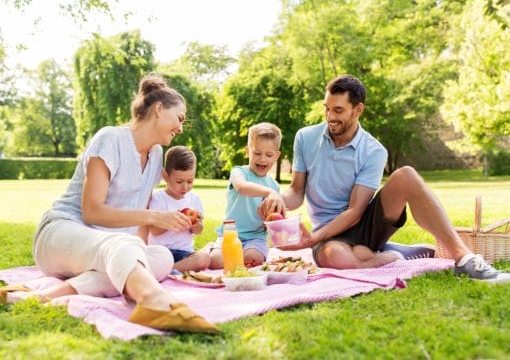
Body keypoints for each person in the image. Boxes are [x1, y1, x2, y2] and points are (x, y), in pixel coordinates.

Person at [0, 73, 218, 333]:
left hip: (105, 249)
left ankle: (41, 296)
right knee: (125, 247)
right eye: (179, 118)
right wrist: (152, 218)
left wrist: (138, 245)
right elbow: (92, 212)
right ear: (159, 109)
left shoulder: (156, 155)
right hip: (60, 234)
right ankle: (154, 302)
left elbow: (134, 227)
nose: (181, 128)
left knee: (158, 257)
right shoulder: (110, 139)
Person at [273, 74, 510, 284]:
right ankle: (391, 255)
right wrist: (279, 201)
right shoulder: (306, 138)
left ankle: (465, 259)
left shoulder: (374, 151)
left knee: (406, 175)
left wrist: (310, 239)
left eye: (338, 110)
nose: (329, 116)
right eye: (326, 108)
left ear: (358, 110)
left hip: (363, 225)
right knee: (335, 257)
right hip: (328, 232)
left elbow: (355, 212)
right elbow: (296, 191)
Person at [209, 122, 286, 269]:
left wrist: (271, 221)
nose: (262, 159)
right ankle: (215, 250)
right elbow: (242, 188)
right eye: (257, 153)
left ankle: (238, 260)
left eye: (269, 155)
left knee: (251, 259)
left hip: (255, 238)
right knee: (216, 262)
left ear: (276, 156)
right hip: (230, 234)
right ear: (247, 151)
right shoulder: (239, 172)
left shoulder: (274, 186)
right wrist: (269, 193)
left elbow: (272, 221)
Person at [145, 146, 210, 273]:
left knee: (204, 259)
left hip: (185, 253)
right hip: (162, 251)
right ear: (166, 176)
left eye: (190, 181)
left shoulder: (194, 199)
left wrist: (195, 223)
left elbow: (198, 231)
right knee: (155, 259)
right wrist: (172, 220)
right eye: (179, 181)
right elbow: (154, 231)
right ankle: (168, 269)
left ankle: (170, 270)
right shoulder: (159, 199)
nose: (185, 187)